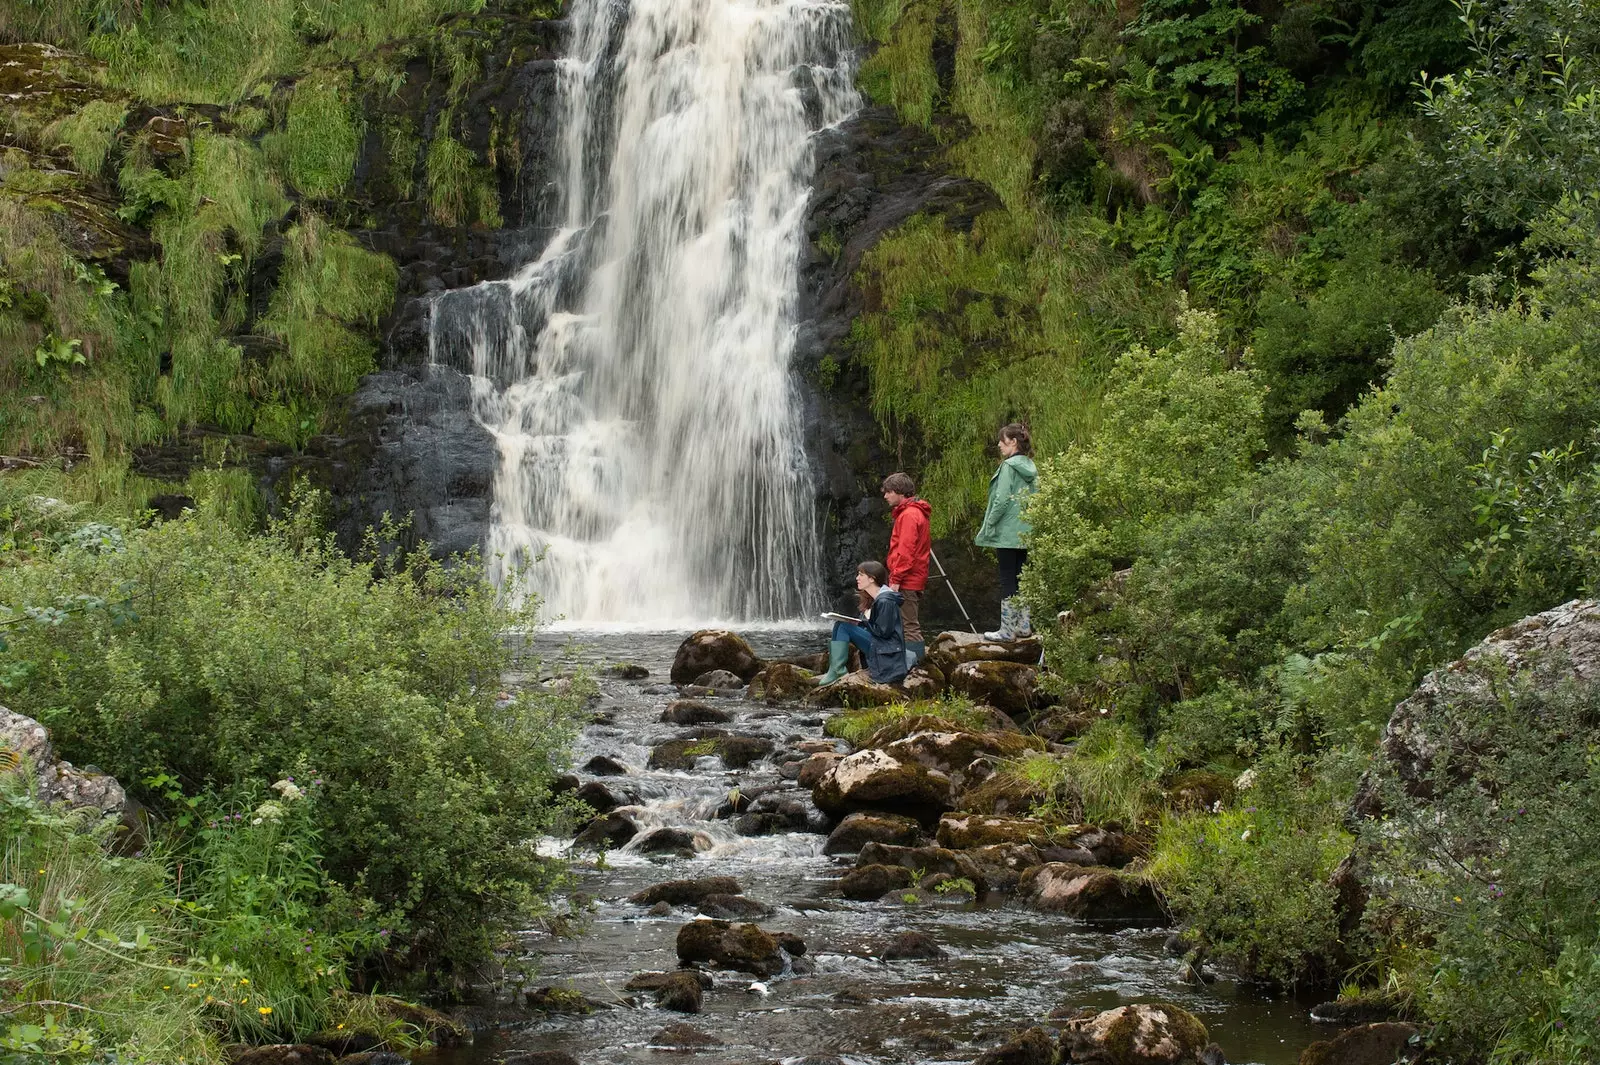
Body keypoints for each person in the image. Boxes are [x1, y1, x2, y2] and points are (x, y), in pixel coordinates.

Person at [974, 422, 1038, 640]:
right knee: (1022, 577)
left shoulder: (1008, 467)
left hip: (1008, 533)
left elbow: (1001, 500)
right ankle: (1024, 626)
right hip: (1025, 531)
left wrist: (990, 524)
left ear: (1012, 442)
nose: (999, 445)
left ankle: (1007, 631)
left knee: (1007, 579)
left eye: (1002, 441)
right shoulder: (1030, 466)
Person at [819, 561, 908, 686]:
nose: (857, 578)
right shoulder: (877, 598)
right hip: (882, 645)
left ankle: (839, 670)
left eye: (861, 575)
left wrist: (864, 622)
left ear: (872, 579)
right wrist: (861, 623)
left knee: (845, 627)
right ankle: (834, 669)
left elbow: (884, 633)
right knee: (840, 624)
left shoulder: (885, 601)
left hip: (886, 650)